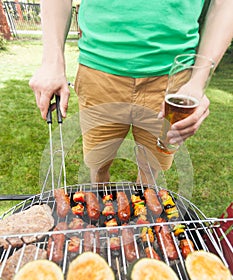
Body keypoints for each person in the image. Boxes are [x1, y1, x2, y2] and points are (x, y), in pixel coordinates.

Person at [29, 0, 233, 183]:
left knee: (152, 171)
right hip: (99, 71)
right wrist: (51, 61)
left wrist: (198, 81)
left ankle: (143, 219)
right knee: (97, 164)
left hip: (172, 79)